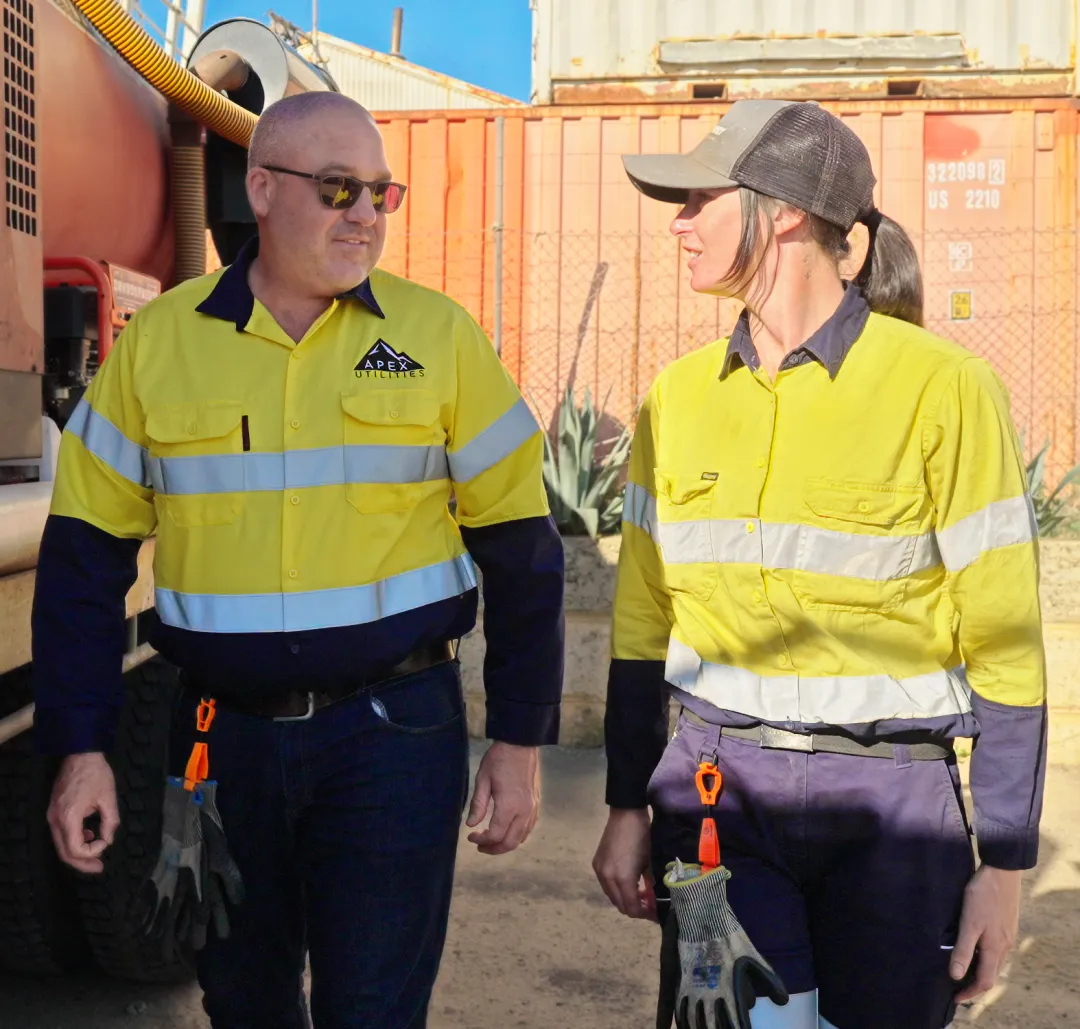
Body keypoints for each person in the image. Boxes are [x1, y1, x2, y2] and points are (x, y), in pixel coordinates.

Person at [32, 91, 565, 1029]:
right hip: (216, 743)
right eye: (338, 189)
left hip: (393, 738)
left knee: (373, 1012)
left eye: (380, 194)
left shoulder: (436, 339)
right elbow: (82, 564)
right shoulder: (161, 345)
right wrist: (81, 748)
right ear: (265, 189)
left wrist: (519, 740)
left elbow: (523, 553)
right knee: (244, 1003)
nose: (365, 214)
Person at [592, 98, 1046, 1029]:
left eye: (700, 199)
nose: (678, 224)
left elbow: (1005, 641)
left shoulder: (945, 390)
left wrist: (1004, 865)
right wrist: (627, 802)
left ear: (786, 210)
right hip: (719, 796)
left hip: (896, 812)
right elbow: (642, 620)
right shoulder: (674, 401)